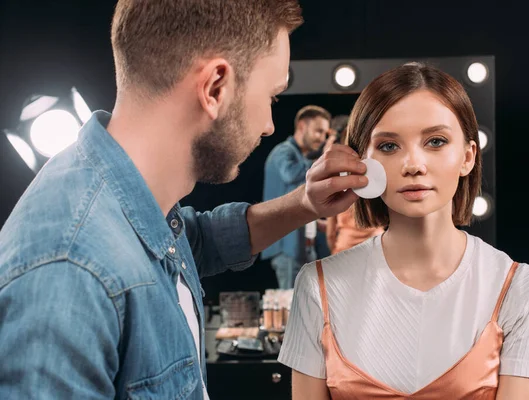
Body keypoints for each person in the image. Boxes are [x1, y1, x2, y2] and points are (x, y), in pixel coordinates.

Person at [0, 1, 370, 399]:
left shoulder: (125, 197)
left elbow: (198, 241)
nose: (268, 125)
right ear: (215, 88)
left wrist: (305, 203)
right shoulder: (69, 273)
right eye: (272, 98)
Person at [278, 62, 529, 399]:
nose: (414, 165)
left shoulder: (524, 292)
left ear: (468, 156)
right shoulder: (318, 287)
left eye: (436, 141)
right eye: (389, 146)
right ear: (361, 163)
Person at [262, 105, 331, 289]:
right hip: (288, 249)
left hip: (305, 247)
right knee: (292, 307)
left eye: (325, 134)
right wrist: (326, 159)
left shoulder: (301, 158)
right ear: (302, 126)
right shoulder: (283, 152)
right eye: (318, 131)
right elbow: (291, 174)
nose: (322, 138)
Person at [325, 114, 386, 254]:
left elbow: (330, 232)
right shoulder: (379, 176)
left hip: (344, 247)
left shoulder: (336, 180)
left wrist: (335, 248)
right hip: (376, 246)